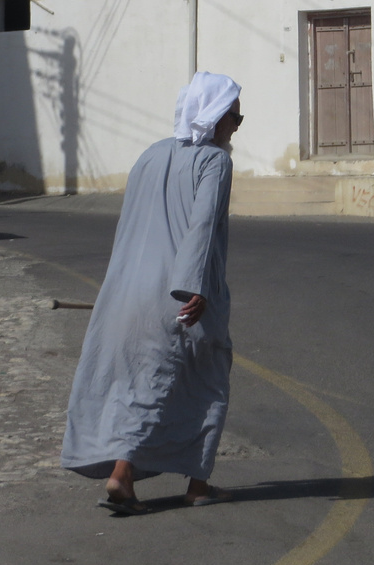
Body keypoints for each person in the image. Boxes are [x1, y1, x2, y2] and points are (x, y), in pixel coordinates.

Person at [62, 72, 244, 515]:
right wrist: (195, 287)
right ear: (217, 117)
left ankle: (196, 481)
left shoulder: (149, 154)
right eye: (235, 118)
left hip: (128, 290)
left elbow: (131, 227)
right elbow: (201, 225)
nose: (237, 127)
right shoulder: (214, 162)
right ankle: (126, 476)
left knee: (147, 381)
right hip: (181, 292)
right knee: (187, 381)